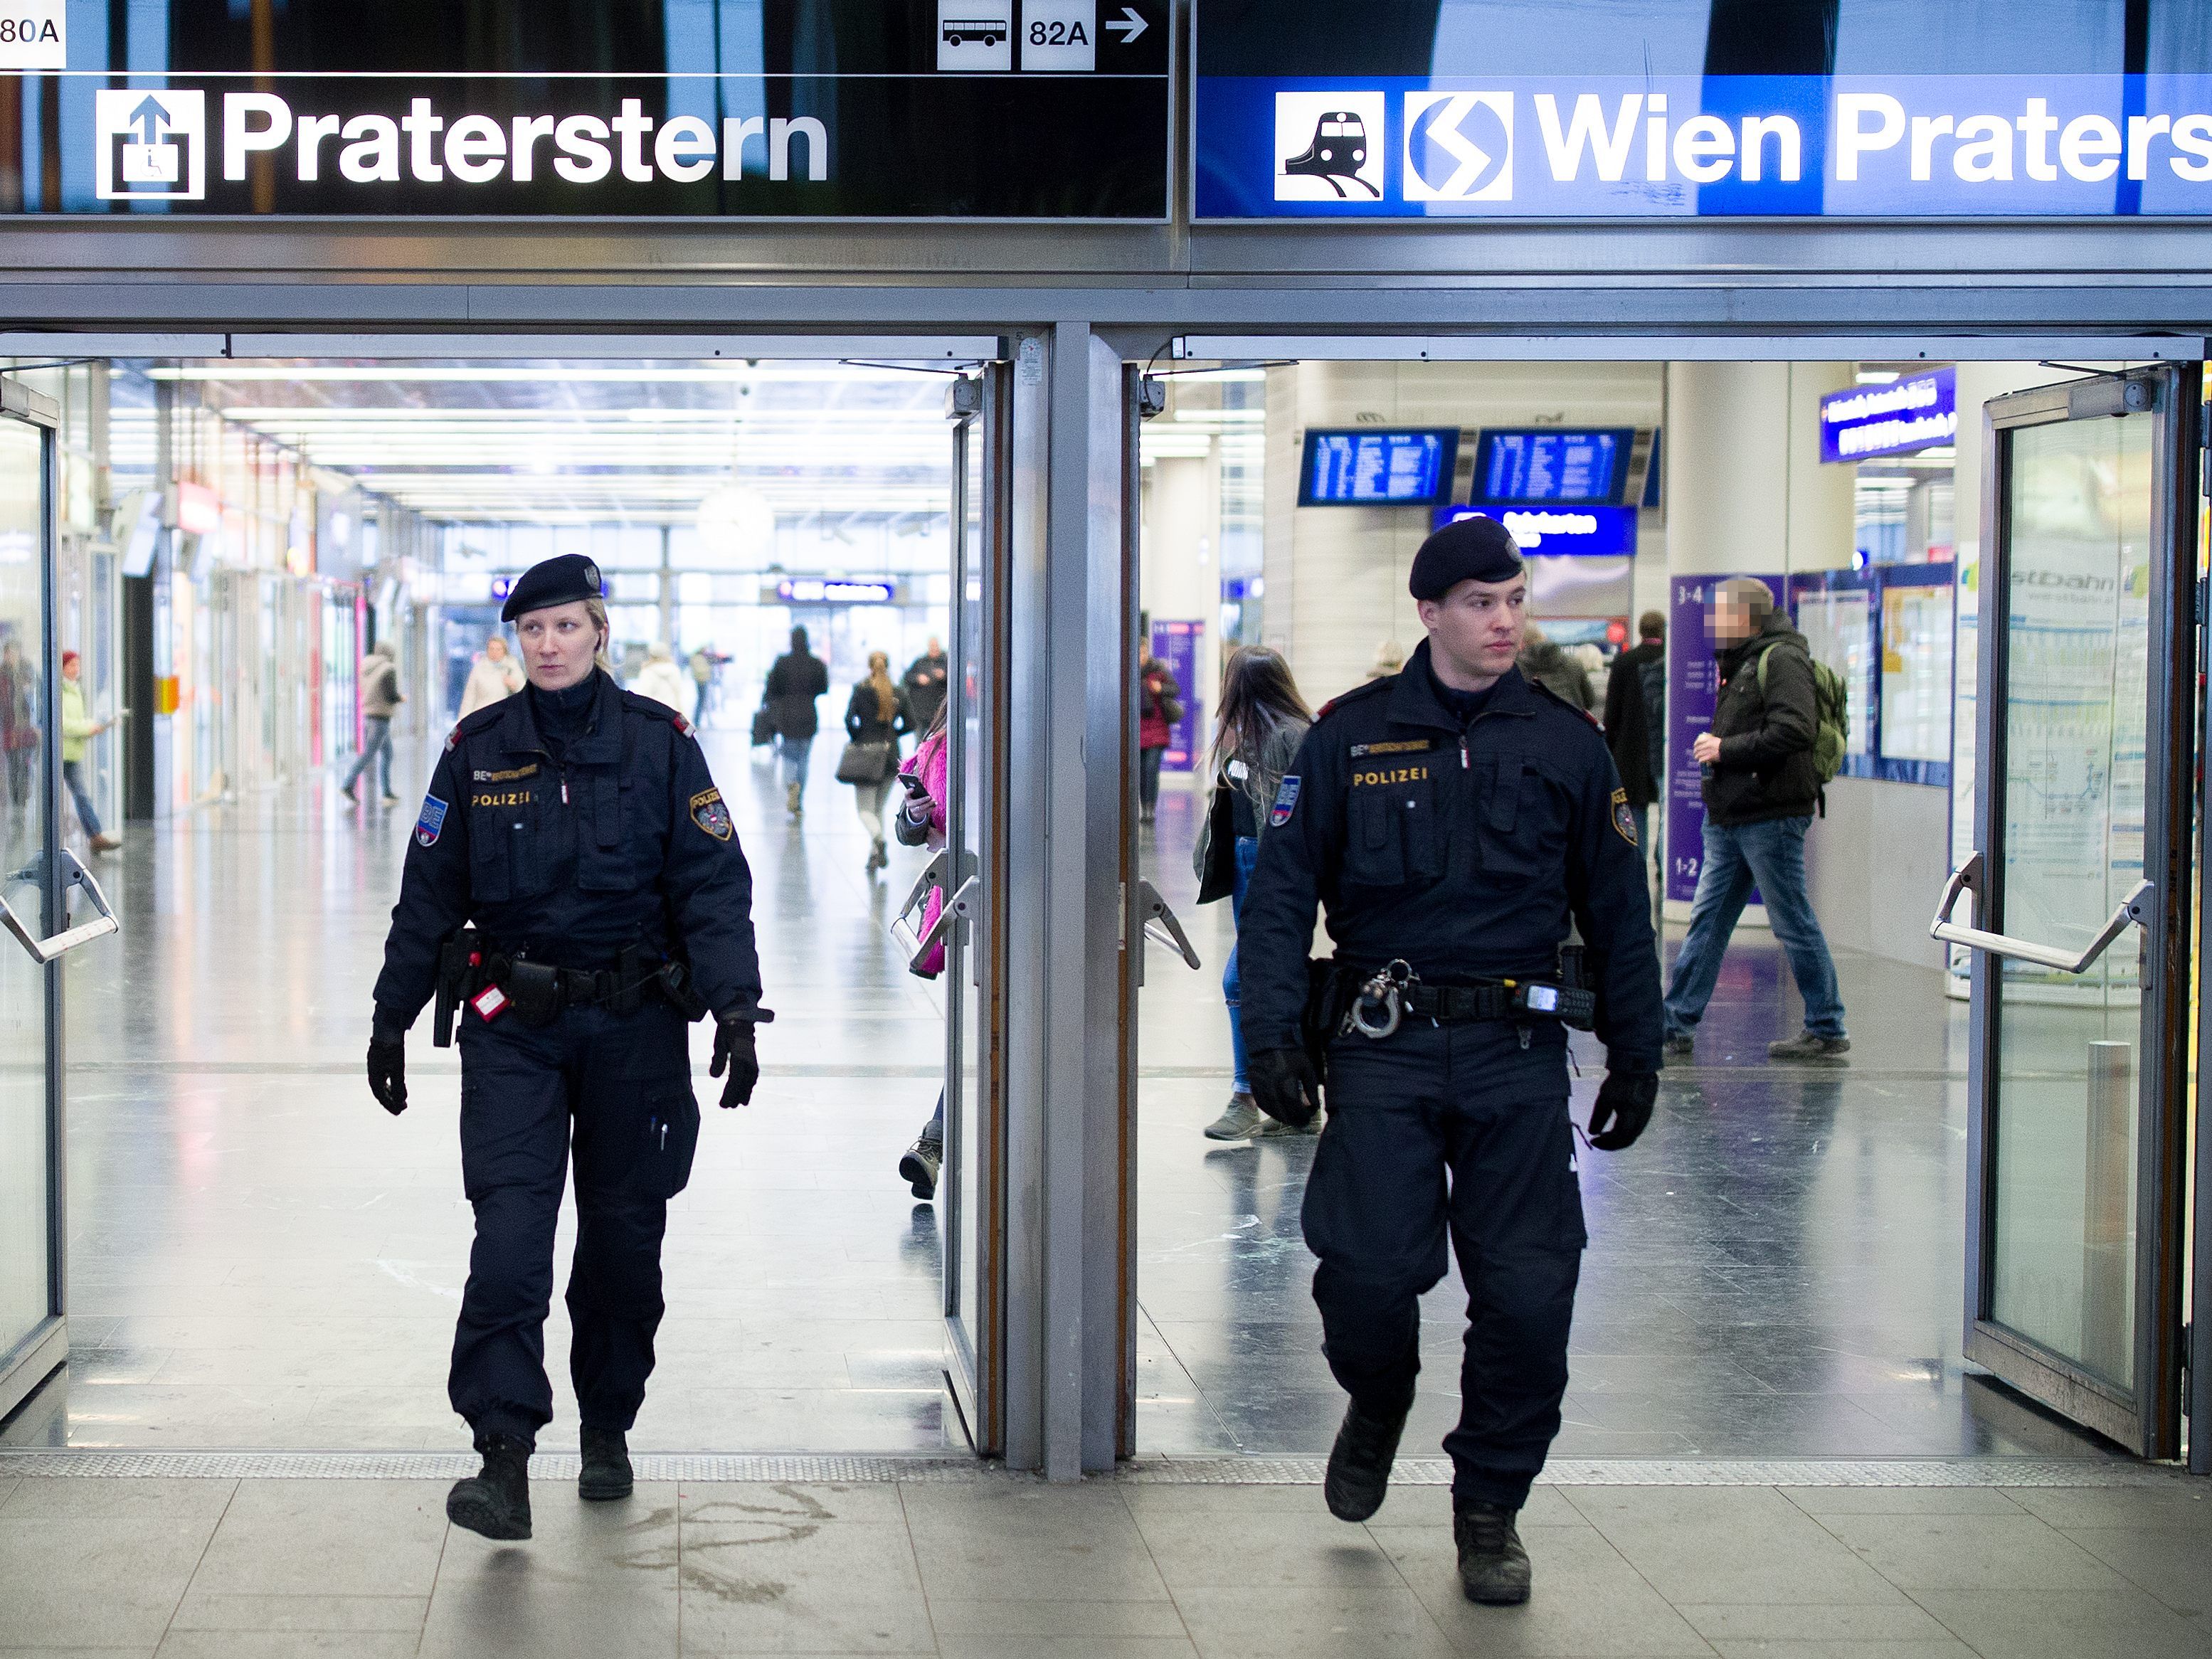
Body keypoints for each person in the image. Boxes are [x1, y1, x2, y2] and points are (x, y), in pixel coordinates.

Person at [1234, 514, 1662, 1607]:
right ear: (1429, 613)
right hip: (1384, 1046)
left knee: (1528, 1298)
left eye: (1515, 601)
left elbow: (1619, 911)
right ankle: (1377, 1399)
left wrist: (1636, 1052)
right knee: (1368, 1276)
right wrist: (1273, 1035)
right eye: (1481, 603)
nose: (1505, 621)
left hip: (1518, 1052)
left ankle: (1489, 1512)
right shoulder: (1349, 739)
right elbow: (1281, 899)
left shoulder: (1567, 744)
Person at [364, 553, 766, 1544]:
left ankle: (607, 1425)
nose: (548, 647)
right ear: (515, 643)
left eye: (566, 628)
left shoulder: (661, 745)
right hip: (514, 1029)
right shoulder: (477, 751)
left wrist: (737, 1010)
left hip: (635, 1029)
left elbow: (713, 888)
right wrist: (390, 1013)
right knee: (508, 1241)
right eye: (531, 631)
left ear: (597, 633)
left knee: (624, 1248)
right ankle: (502, 1454)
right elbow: (428, 896)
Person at [1661, 578, 1848, 1065]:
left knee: (1791, 922)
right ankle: (1675, 1020)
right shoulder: (1742, 660)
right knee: (1708, 921)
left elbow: (1794, 729)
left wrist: (1725, 749)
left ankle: (1826, 1026)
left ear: (1747, 617)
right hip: (1731, 815)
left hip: (1770, 815)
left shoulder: (1781, 659)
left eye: (1720, 614)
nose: (1711, 624)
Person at [1192, 646, 1311, 1140]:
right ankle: (1296, 1099)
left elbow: (1295, 814)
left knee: (1240, 980)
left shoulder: (1290, 737)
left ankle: (1249, 1094)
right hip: (1245, 863)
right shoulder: (1240, 737)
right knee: (1267, 980)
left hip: (1270, 868)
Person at [892, 703, 952, 1199]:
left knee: (983, 1034)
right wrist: (915, 816)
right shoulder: (938, 748)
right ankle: (933, 1142)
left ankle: (933, 1143)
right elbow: (908, 830)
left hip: (1011, 907)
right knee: (981, 1032)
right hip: (963, 905)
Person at [1601, 611, 1667, 875]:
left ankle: (1637, 864)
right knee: (1666, 807)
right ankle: (1663, 862)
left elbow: (1612, 709)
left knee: (1636, 807)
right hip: (1662, 745)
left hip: (1632, 749)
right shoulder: (1670, 660)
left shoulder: (1625, 662)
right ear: (1662, 631)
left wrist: (1610, 745)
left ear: (1640, 631)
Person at [844, 650, 914, 874]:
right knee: (878, 808)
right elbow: (910, 724)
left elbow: (849, 719)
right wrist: (893, 735)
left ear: (869, 666)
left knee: (864, 810)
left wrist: (858, 736)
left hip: (866, 753)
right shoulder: (899, 692)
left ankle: (879, 840)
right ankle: (874, 855)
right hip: (891, 754)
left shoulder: (861, 690)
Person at [58, 651, 122, 854]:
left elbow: (78, 720)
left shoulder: (77, 691)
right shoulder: (58, 690)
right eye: (71, 665)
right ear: (62, 668)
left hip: (73, 752)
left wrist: (93, 726)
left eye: (78, 665)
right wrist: (87, 728)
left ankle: (95, 835)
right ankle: (89, 835)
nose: (76, 669)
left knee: (81, 795)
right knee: (64, 797)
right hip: (60, 753)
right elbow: (63, 723)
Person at [762, 626, 830, 819]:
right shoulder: (816, 664)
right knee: (804, 759)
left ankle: (791, 784)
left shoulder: (782, 663)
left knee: (789, 757)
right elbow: (823, 688)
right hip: (808, 715)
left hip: (787, 716)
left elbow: (772, 689)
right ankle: (799, 798)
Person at [342, 639, 403, 805]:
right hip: (381, 717)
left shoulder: (365, 666)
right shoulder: (388, 669)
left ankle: (387, 793)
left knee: (387, 753)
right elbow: (389, 694)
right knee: (369, 754)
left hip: (369, 714)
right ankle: (348, 784)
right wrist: (401, 698)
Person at [1137, 647, 1181, 825]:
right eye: (1139, 653)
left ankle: (1150, 809)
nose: (1142, 657)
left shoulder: (1158, 670)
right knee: (1140, 772)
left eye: (1144, 653)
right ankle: (1143, 806)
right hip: (1138, 730)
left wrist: (1160, 688)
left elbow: (1175, 689)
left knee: (1150, 769)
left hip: (1157, 729)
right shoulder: (1129, 671)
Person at [1515, 621, 1594, 711]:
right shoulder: (1573, 663)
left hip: (1534, 723)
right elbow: (1589, 701)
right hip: (1572, 721)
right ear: (1543, 637)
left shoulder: (1515, 670)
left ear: (1521, 643)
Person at [1, 637, 38, 817]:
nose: (12, 656)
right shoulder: (2, 674)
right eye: (9, 653)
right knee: (13, 763)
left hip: (26, 727)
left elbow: (34, 696)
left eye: (15, 652)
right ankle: (17, 799)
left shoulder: (27, 670)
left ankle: (24, 795)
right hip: (8, 728)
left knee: (26, 763)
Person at [458, 633, 524, 719]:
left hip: (504, 718)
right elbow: (469, 697)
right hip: (482, 715)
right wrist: (463, 721)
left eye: (498, 649)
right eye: (491, 649)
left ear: (504, 651)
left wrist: (514, 686)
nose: (494, 653)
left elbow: (524, 692)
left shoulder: (512, 667)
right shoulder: (479, 668)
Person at [901, 637, 949, 735]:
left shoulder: (946, 662)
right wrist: (918, 679)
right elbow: (907, 677)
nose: (934, 648)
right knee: (920, 742)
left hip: (939, 711)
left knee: (939, 742)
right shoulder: (920, 662)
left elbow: (957, 681)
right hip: (920, 711)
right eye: (932, 646)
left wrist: (944, 676)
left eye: (936, 646)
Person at [630, 642, 691, 714]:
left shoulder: (647, 672)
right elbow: (678, 694)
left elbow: (644, 696)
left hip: (654, 714)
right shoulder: (674, 670)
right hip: (672, 713)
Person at [689, 645, 715, 726]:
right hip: (701, 681)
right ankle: (697, 721)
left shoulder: (699, 658)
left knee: (702, 701)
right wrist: (709, 668)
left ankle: (698, 721)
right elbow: (700, 670)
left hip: (702, 680)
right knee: (701, 701)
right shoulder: (698, 659)